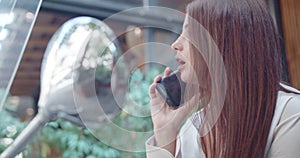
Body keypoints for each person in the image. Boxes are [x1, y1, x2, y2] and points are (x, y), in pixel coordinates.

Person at [146, 0, 300, 157]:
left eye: (190, 33)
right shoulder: (193, 129)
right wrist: (165, 132)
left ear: (227, 43)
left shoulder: (289, 114)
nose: (175, 44)